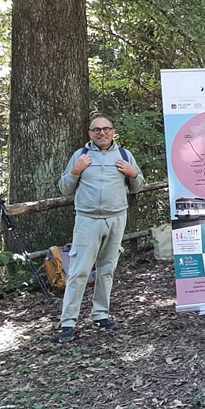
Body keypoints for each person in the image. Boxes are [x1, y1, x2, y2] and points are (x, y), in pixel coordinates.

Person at [57, 116, 144, 343]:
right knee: (78, 271)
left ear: (113, 132)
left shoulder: (124, 155)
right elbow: (65, 188)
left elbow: (138, 186)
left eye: (106, 129)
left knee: (107, 268)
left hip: (117, 218)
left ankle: (100, 315)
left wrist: (132, 173)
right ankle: (68, 323)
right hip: (87, 220)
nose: (102, 133)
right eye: (97, 130)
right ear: (90, 133)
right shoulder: (80, 156)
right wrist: (75, 171)